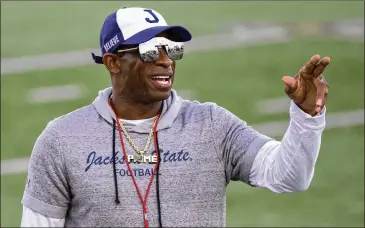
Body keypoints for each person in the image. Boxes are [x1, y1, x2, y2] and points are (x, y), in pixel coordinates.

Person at [20, 6, 330, 228]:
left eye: (172, 49)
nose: (167, 61)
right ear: (113, 62)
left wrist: (306, 117)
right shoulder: (61, 139)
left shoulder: (212, 125)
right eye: (152, 51)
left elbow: (289, 177)